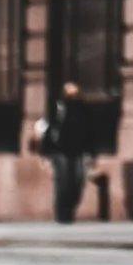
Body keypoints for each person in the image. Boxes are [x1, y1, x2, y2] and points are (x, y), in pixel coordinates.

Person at [33, 88, 91, 226]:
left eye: (75, 95)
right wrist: (44, 152)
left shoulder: (83, 112)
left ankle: (69, 209)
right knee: (62, 182)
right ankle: (63, 213)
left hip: (77, 151)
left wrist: (91, 153)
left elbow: (89, 132)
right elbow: (50, 130)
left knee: (78, 181)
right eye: (70, 95)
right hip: (60, 152)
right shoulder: (59, 110)